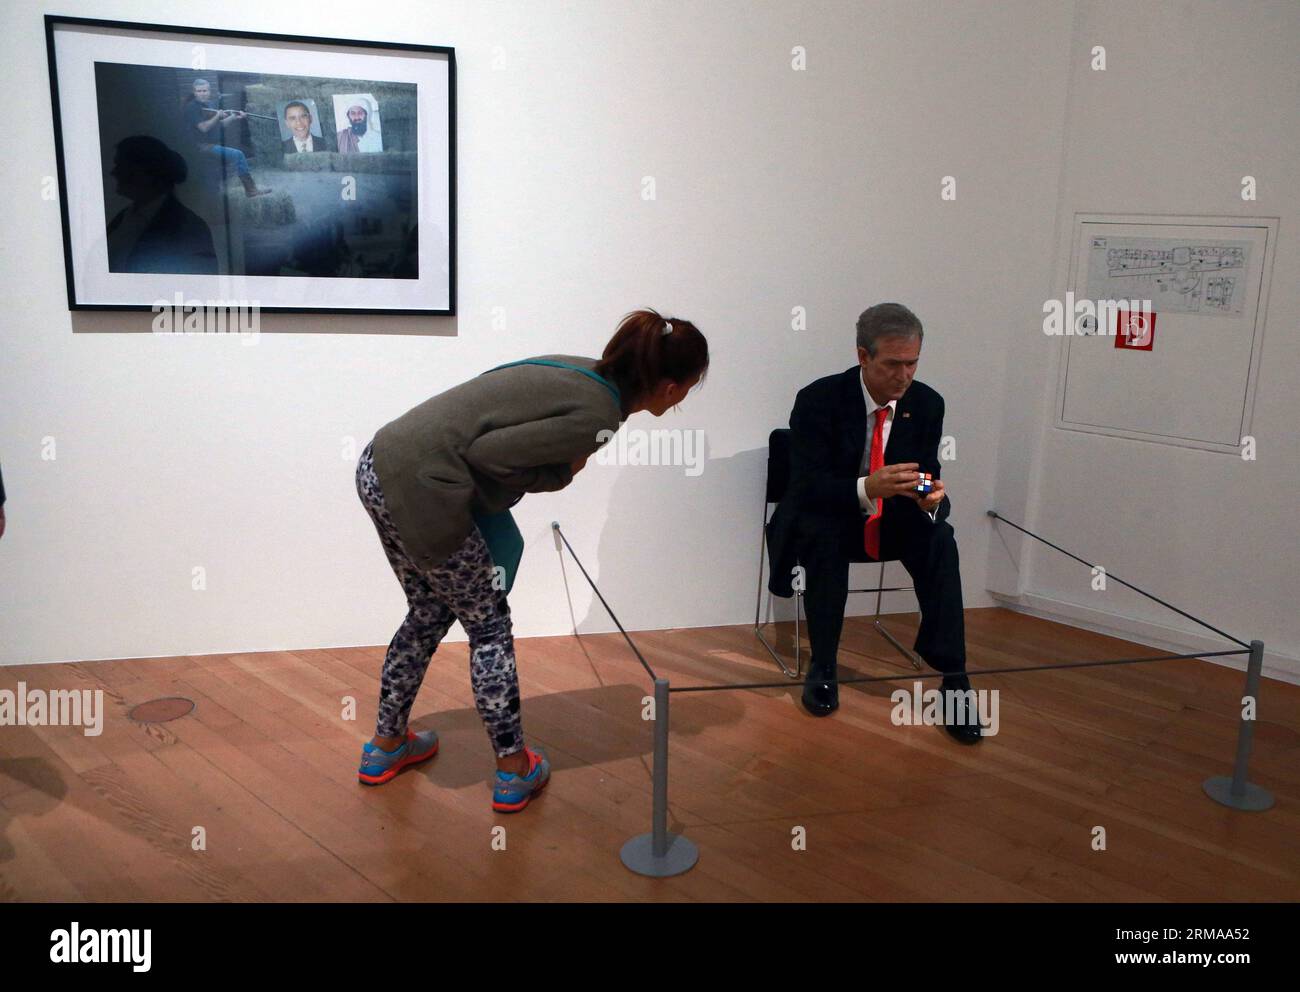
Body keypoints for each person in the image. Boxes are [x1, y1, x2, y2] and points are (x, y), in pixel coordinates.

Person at [356, 309, 709, 810]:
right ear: (670, 388)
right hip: (426, 490)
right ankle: (513, 770)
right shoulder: (599, 418)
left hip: (380, 462)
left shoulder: (582, 369)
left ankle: (386, 747)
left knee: (429, 612)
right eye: (688, 390)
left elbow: (489, 395)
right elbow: (488, 456)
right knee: (489, 627)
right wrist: (563, 473)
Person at [765, 302, 984, 742]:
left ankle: (954, 677)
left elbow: (925, 472)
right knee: (823, 539)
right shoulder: (818, 399)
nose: (904, 376)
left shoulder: (926, 403)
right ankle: (823, 664)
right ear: (863, 356)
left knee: (941, 538)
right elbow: (805, 490)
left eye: (912, 363)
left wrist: (931, 498)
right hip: (831, 515)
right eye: (892, 364)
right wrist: (868, 487)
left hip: (894, 519)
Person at [106, 136, 216, 275]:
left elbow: (199, 288)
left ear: (143, 171)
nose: (113, 172)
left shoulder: (191, 227)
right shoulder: (123, 218)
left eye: (120, 165)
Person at [181, 78, 273, 197]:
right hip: (203, 147)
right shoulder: (192, 107)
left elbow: (220, 125)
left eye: (205, 91)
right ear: (194, 92)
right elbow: (203, 127)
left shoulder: (210, 105)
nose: (203, 94)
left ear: (209, 91)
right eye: (199, 91)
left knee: (239, 155)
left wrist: (234, 116)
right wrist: (217, 115)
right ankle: (251, 190)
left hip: (214, 145)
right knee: (238, 154)